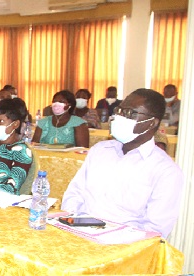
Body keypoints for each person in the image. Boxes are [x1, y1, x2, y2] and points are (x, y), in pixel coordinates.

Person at [62, 89, 184, 238]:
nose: (120, 117)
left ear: (151, 123)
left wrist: (109, 240)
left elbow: (155, 230)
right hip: (78, 234)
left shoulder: (165, 170)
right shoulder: (100, 150)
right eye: (120, 111)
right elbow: (74, 194)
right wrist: (74, 223)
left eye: (131, 114)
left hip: (123, 247)